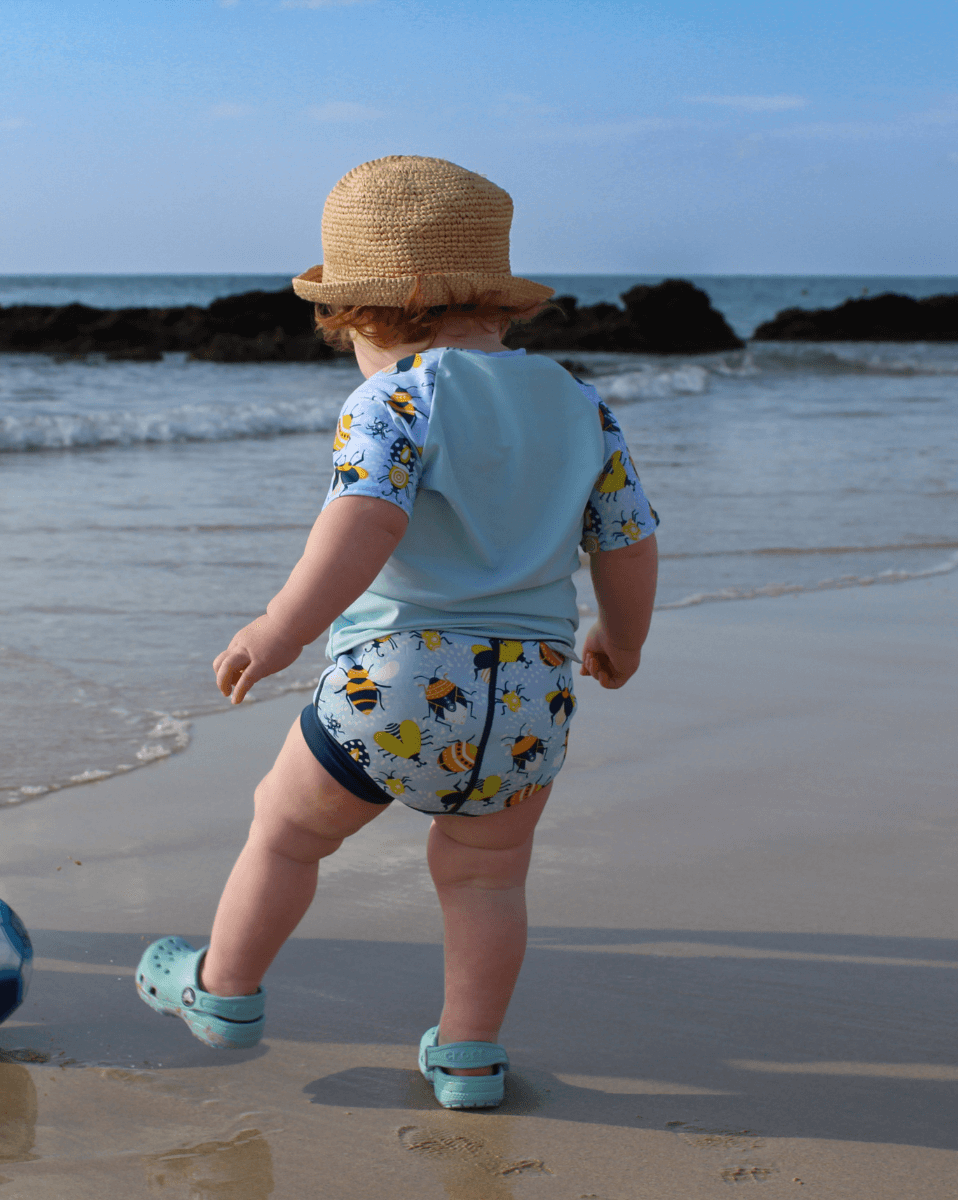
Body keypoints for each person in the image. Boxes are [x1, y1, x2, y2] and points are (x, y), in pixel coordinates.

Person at [135, 156, 659, 1110]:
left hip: (399, 684)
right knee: (488, 881)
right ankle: (468, 1056)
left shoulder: (395, 398)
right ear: (496, 303)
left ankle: (223, 991)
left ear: (369, 315)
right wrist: (623, 641)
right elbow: (627, 540)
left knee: (288, 833)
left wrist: (282, 626)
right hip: (533, 696)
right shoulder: (584, 404)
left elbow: (364, 521)